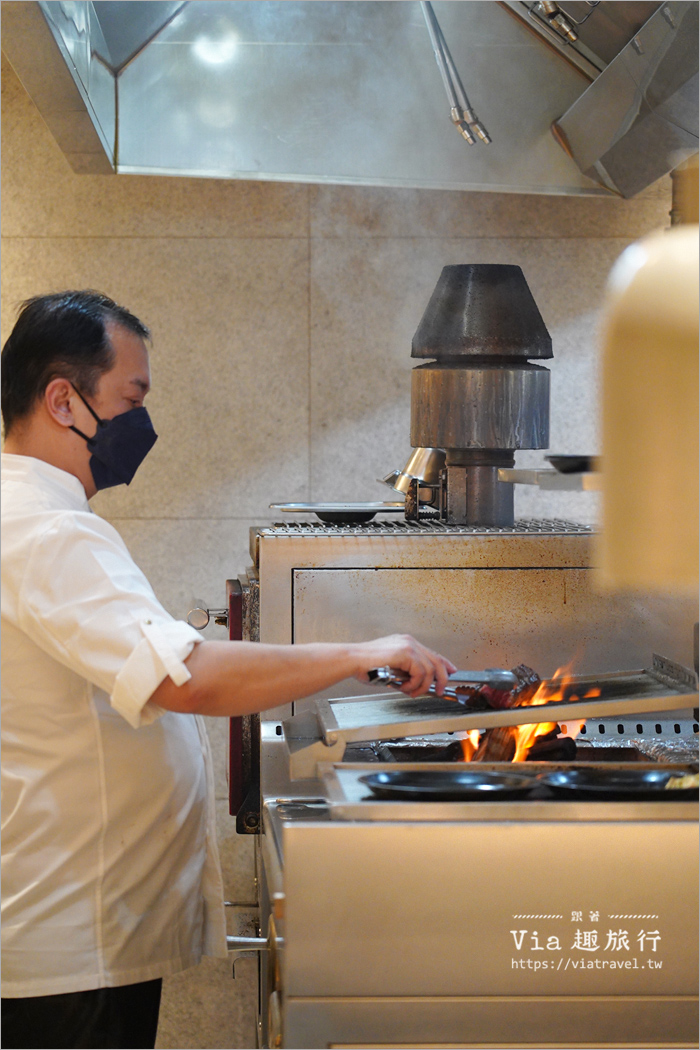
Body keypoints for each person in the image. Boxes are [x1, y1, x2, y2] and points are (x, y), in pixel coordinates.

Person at [0, 291, 455, 1050]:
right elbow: (188, 678)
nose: (143, 423)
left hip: (79, 920)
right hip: (75, 939)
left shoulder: (38, 520)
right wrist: (363, 653)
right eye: (131, 398)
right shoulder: (47, 532)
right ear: (61, 399)